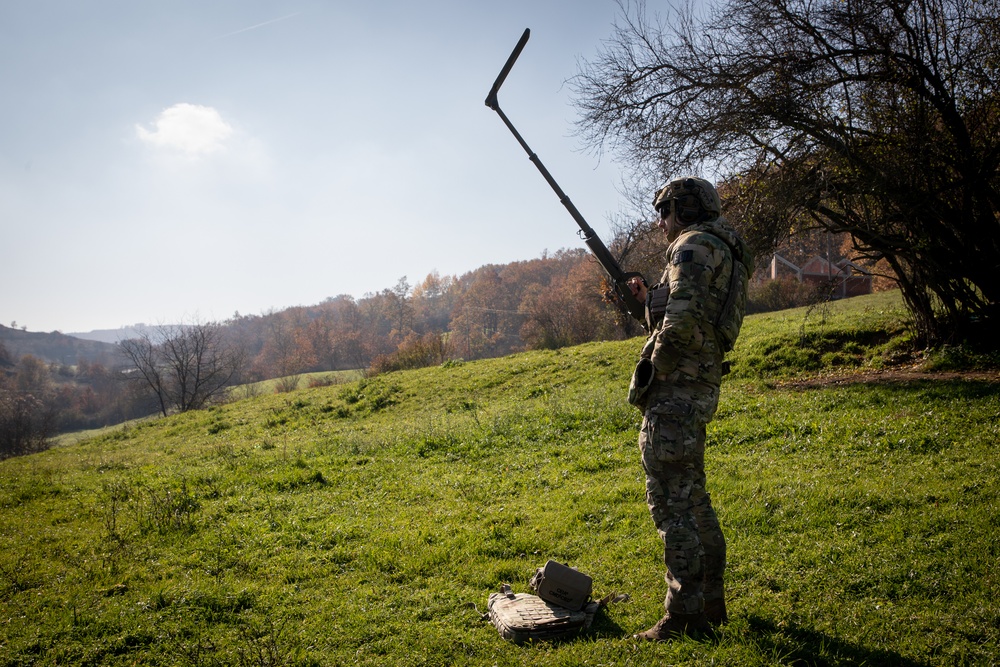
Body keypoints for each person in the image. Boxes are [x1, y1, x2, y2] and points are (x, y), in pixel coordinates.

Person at [626, 176, 753, 642]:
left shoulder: (693, 246)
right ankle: (711, 605)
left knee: (671, 504)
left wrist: (649, 371)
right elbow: (692, 313)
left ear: (683, 208)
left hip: (676, 390)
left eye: (665, 212)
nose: (661, 223)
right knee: (694, 498)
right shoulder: (725, 249)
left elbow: (679, 326)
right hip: (701, 384)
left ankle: (684, 616)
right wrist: (648, 303)